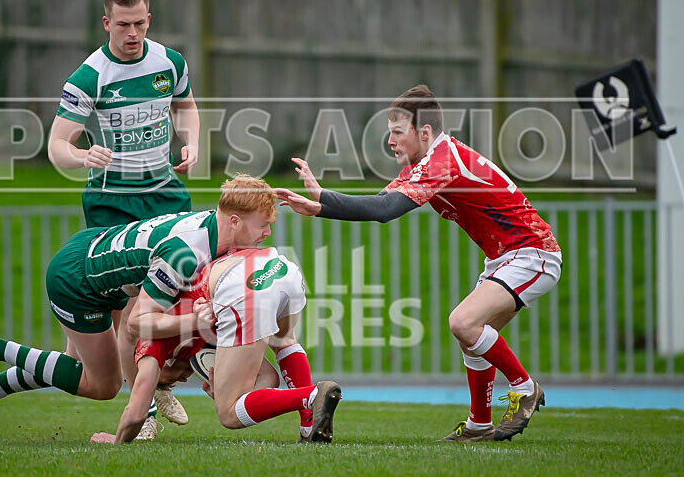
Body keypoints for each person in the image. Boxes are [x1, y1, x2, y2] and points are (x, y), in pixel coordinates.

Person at [276, 84, 562, 442]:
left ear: (424, 132)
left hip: (533, 253)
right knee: (471, 336)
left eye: (397, 132)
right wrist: (318, 205)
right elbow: (381, 202)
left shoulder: (441, 162)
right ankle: (478, 424)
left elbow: (384, 211)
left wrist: (322, 199)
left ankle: (524, 388)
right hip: (507, 258)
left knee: (464, 323)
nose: (391, 141)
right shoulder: (426, 163)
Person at [0, 175, 276, 442]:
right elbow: (138, 324)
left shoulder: (212, 231)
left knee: (72, 369)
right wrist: (193, 325)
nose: (268, 233)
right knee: (103, 384)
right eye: (263, 224)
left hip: (95, 255)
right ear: (234, 221)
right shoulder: (185, 253)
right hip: (78, 282)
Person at [47, 0, 201, 433]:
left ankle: (157, 388)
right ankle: (149, 405)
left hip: (165, 195)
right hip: (111, 204)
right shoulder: (89, 76)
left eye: (139, 24)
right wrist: (81, 155)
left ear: (149, 19)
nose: (132, 34)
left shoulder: (169, 62)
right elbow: (56, 144)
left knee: (170, 295)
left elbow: (186, 106)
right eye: (123, 25)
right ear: (106, 23)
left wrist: (191, 142)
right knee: (128, 315)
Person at [88, 274, 281, 444]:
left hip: (252, 278)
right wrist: (236, 397)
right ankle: (309, 405)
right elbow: (269, 378)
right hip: (259, 279)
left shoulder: (155, 342)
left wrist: (120, 439)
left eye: (169, 380)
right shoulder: (210, 333)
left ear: (165, 361)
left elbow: (135, 415)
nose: (184, 380)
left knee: (108, 375)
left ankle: (149, 404)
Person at [195, 246, 340, 443]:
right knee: (284, 340)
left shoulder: (170, 293)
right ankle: (308, 425)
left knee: (229, 412)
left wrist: (225, 388)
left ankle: (313, 394)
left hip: (243, 285)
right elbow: (268, 378)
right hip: (281, 268)